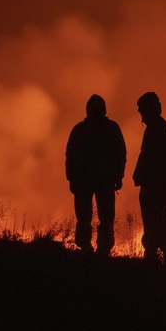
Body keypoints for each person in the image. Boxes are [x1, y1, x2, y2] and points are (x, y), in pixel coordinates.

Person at [65, 94, 126, 256]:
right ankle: (102, 249)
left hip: (85, 180)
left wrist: (71, 178)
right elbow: (120, 153)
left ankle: (86, 247)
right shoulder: (111, 128)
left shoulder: (80, 130)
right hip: (104, 180)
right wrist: (119, 175)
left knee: (85, 216)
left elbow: (70, 156)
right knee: (105, 217)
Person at [133, 91, 166, 262]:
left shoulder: (158, 128)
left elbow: (151, 157)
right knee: (155, 219)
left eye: (142, 108)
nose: (139, 112)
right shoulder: (158, 127)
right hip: (157, 184)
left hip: (155, 186)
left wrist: (141, 174)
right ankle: (160, 254)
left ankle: (160, 254)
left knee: (157, 218)